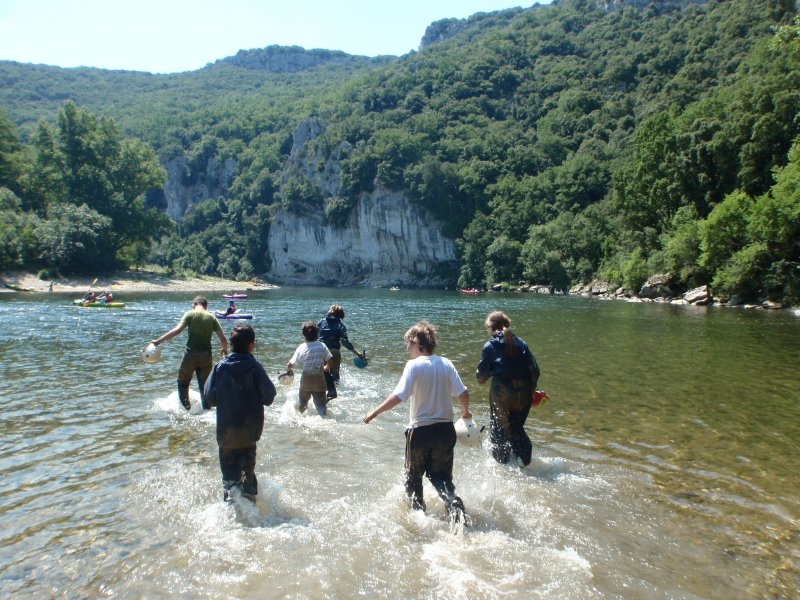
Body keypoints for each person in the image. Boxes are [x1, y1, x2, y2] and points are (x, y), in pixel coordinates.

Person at [363, 321, 471, 523]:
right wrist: (464, 413)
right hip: (446, 430)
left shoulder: (413, 365)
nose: (407, 348)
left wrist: (374, 412)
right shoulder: (446, 363)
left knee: (413, 479)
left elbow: (399, 396)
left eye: (408, 344)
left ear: (416, 343)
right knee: (442, 478)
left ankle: (418, 520)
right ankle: (454, 505)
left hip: (421, 432)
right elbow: (463, 393)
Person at [203, 325, 276, 502]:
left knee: (229, 478)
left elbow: (209, 399)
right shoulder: (255, 367)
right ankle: (251, 507)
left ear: (231, 344)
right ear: (251, 345)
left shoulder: (220, 368)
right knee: (247, 475)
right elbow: (269, 397)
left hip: (226, 433)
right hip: (249, 432)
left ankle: (230, 510)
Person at [475, 311, 540, 466]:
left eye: (487, 328)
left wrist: (484, 378)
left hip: (502, 390)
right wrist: (532, 390)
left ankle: (502, 465)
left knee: (499, 428)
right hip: (523, 389)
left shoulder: (490, 345)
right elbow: (535, 371)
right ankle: (524, 461)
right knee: (517, 427)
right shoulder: (521, 343)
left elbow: (481, 375)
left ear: (491, 327)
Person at [151, 295, 228, 411]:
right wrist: (224, 350)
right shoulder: (212, 318)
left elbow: (176, 331)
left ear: (194, 305)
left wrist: (158, 341)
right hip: (206, 356)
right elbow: (223, 339)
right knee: (205, 385)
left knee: (183, 381)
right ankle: (207, 410)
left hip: (190, 355)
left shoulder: (190, 314)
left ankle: (186, 408)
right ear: (206, 306)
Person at [318, 304, 366, 400]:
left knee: (321, 373)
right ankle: (335, 396)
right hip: (334, 352)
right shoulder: (341, 325)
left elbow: (314, 337)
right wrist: (357, 353)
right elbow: (344, 342)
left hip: (321, 350)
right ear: (341, 314)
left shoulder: (321, 322)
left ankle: (321, 394)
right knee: (335, 375)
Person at [287, 321, 334, 416]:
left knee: (303, 405)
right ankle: (324, 418)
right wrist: (325, 368)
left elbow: (290, 365)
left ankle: (302, 421)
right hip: (319, 380)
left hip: (306, 380)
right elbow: (330, 362)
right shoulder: (322, 346)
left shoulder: (301, 348)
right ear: (317, 333)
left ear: (304, 335)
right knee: (321, 406)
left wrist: (289, 371)